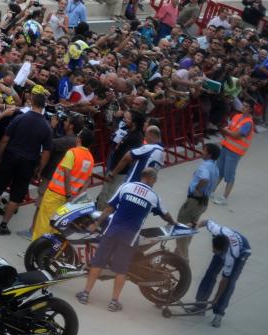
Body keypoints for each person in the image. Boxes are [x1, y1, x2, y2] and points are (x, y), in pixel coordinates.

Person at [77, 168, 177, 312]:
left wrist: (97, 224)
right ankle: (113, 302)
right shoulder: (153, 197)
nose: (155, 183)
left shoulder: (126, 187)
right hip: (130, 237)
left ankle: (85, 295)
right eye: (155, 180)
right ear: (150, 178)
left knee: (98, 262)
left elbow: (109, 208)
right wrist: (174, 222)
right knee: (121, 270)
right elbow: (165, 214)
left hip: (112, 231)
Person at [0, 91, 50, 235]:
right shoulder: (46, 127)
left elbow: (5, 139)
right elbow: (46, 152)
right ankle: (3, 225)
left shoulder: (20, 118)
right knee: (16, 195)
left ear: (32, 103)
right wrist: (39, 169)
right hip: (28, 162)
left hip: (10, 156)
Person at [29, 129, 95, 241]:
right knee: (57, 225)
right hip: (69, 199)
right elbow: (88, 180)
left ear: (79, 139)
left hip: (55, 194)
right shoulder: (90, 158)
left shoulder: (72, 152)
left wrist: (69, 194)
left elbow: (67, 174)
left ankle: (35, 249)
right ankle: (48, 251)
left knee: (44, 222)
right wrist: (76, 195)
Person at [191, 219, 251, 328]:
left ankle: (218, 314)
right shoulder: (218, 231)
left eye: (216, 251)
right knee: (210, 273)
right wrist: (196, 226)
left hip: (242, 252)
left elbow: (224, 280)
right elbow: (206, 221)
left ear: (223, 250)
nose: (213, 252)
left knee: (230, 283)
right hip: (227, 243)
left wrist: (216, 298)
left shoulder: (231, 257)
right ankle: (200, 305)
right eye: (213, 250)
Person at [174, 143, 220, 261]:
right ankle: (177, 256)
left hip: (194, 202)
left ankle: (184, 260)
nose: (201, 152)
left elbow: (204, 179)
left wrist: (198, 189)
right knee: (190, 229)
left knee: (181, 228)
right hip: (203, 203)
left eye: (204, 150)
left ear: (209, 155)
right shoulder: (215, 168)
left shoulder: (205, 166)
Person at [212, 103, 254, 206]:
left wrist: (224, 130)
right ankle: (211, 191)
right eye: (243, 105)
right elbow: (229, 128)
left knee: (229, 174)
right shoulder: (237, 116)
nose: (243, 107)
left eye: (246, 106)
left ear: (250, 109)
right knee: (219, 170)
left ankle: (224, 198)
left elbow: (236, 135)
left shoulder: (248, 123)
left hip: (235, 152)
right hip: (226, 147)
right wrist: (226, 130)